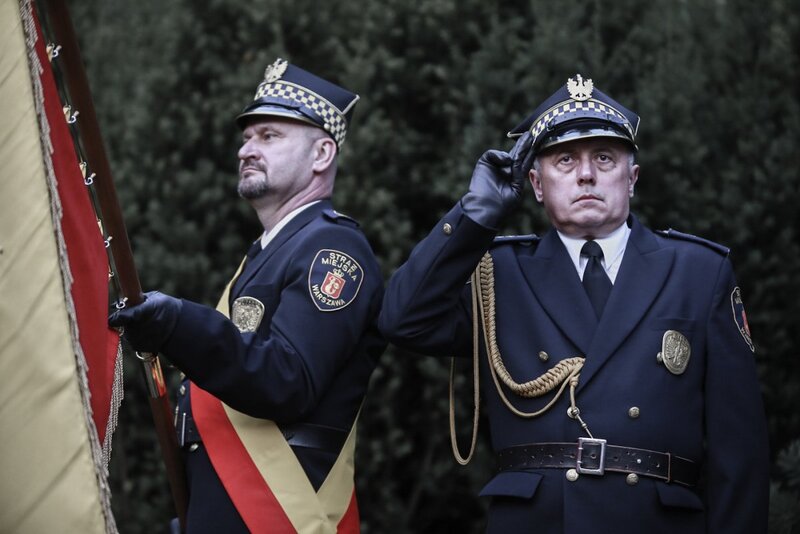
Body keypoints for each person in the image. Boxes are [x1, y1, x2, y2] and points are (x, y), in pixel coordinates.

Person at [378, 75, 768, 533]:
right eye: (565, 160)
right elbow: (402, 320)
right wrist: (474, 216)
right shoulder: (497, 273)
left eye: (604, 157)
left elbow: (738, 450)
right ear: (536, 185)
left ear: (632, 177)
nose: (586, 174)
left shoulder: (699, 272)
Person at [110, 58, 385, 533]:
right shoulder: (268, 253)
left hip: (280, 515)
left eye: (269, 136)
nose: (246, 150)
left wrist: (179, 323)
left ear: (321, 155)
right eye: (246, 137)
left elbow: (285, 378)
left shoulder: (333, 249)